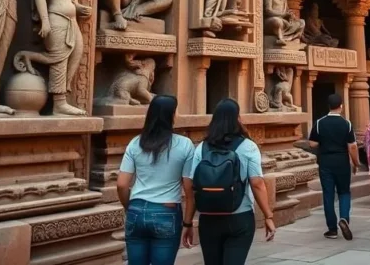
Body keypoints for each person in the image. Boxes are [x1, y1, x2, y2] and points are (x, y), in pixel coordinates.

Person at [182, 99, 276, 265]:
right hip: (240, 216)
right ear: (237, 118)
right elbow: (257, 184)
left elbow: (190, 187)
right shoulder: (248, 147)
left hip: (209, 217)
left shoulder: (202, 148)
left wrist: (187, 222)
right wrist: (268, 215)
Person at [118, 95, 194, 265]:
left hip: (136, 209)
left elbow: (122, 184)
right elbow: (190, 190)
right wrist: (188, 223)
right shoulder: (185, 144)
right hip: (166, 211)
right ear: (171, 115)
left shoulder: (136, 143)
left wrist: (129, 206)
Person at [308, 93, 360, 240]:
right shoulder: (346, 124)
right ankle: (344, 218)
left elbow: (312, 143)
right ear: (341, 106)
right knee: (344, 192)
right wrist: (356, 163)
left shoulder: (319, 123)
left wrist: (323, 143)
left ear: (328, 106)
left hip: (325, 161)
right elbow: (352, 147)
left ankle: (332, 229)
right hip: (342, 161)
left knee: (328, 195)